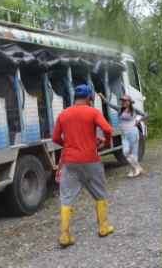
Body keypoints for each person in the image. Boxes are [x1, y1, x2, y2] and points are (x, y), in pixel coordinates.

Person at [51, 84, 114, 246]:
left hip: (69, 161)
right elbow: (107, 129)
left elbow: (55, 137)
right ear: (88, 98)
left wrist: (68, 144)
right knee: (100, 193)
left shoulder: (63, 114)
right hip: (90, 160)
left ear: (74, 98)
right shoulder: (93, 112)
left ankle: (64, 236)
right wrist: (105, 141)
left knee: (67, 197)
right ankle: (103, 227)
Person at [100, 92, 148, 178]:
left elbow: (145, 115)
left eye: (125, 101)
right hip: (124, 134)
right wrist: (102, 97)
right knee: (125, 152)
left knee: (134, 152)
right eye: (122, 100)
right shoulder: (120, 109)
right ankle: (137, 168)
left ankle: (133, 169)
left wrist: (138, 121)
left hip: (133, 133)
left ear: (130, 101)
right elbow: (110, 104)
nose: (123, 102)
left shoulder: (134, 110)